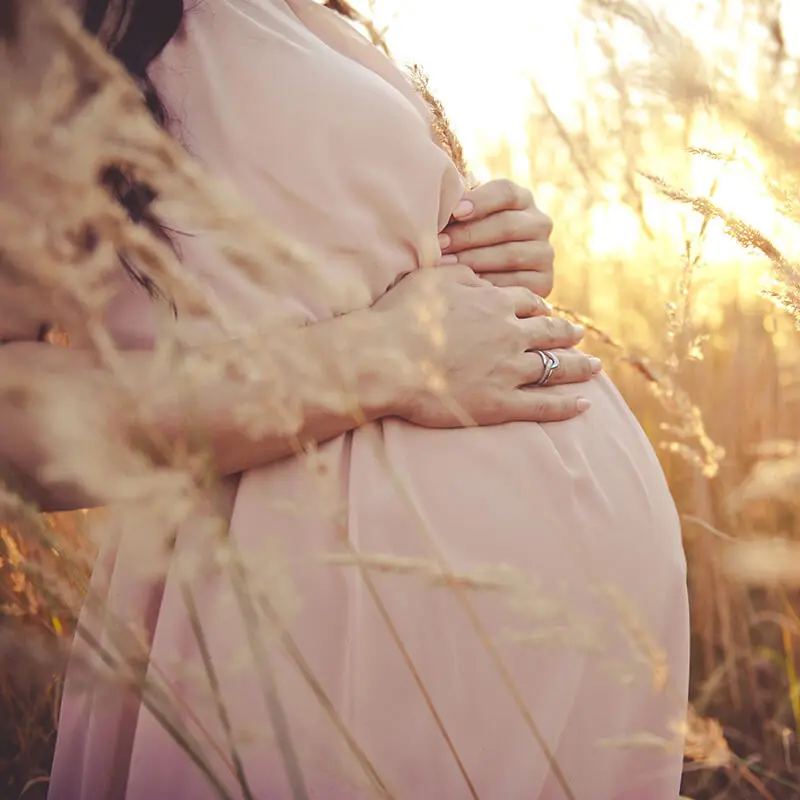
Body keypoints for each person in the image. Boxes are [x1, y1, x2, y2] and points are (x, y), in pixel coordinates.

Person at [0, 1, 689, 797]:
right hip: (320, 643)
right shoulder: (66, 16)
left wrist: (485, 243)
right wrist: (377, 358)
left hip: (556, 666)